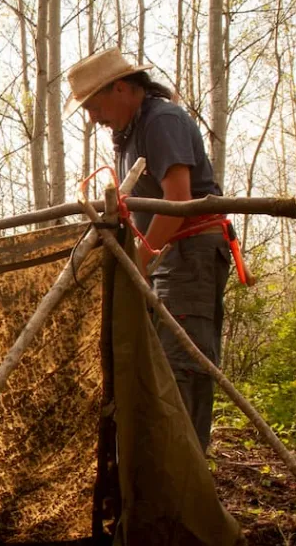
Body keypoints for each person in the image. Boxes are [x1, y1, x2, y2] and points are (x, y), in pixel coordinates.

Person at [65, 47, 231, 453]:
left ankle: (186, 480)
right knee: (153, 363)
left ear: (121, 88)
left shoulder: (162, 121)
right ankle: (161, 475)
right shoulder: (127, 136)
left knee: (182, 362)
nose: (93, 118)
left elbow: (177, 198)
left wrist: (138, 263)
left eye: (94, 105)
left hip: (189, 253)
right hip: (161, 256)